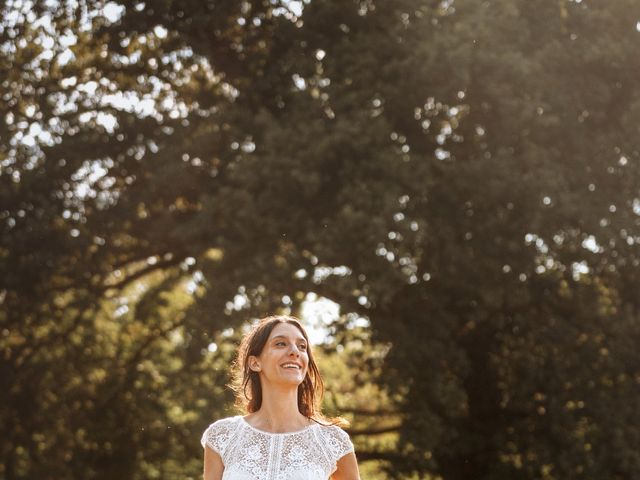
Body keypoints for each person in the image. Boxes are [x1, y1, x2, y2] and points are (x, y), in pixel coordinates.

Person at [201, 315, 361, 480]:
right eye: (280, 344)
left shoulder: (332, 441)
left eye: (302, 346)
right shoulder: (222, 436)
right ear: (255, 363)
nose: (294, 351)